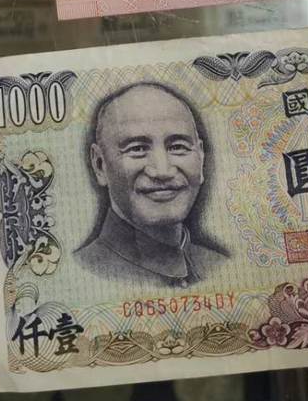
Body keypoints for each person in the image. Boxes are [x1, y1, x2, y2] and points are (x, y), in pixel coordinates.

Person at [75, 81, 226, 288]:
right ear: (100, 165)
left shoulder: (220, 265)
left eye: (177, 147)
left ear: (200, 158)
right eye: (137, 149)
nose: (162, 171)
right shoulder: (82, 274)